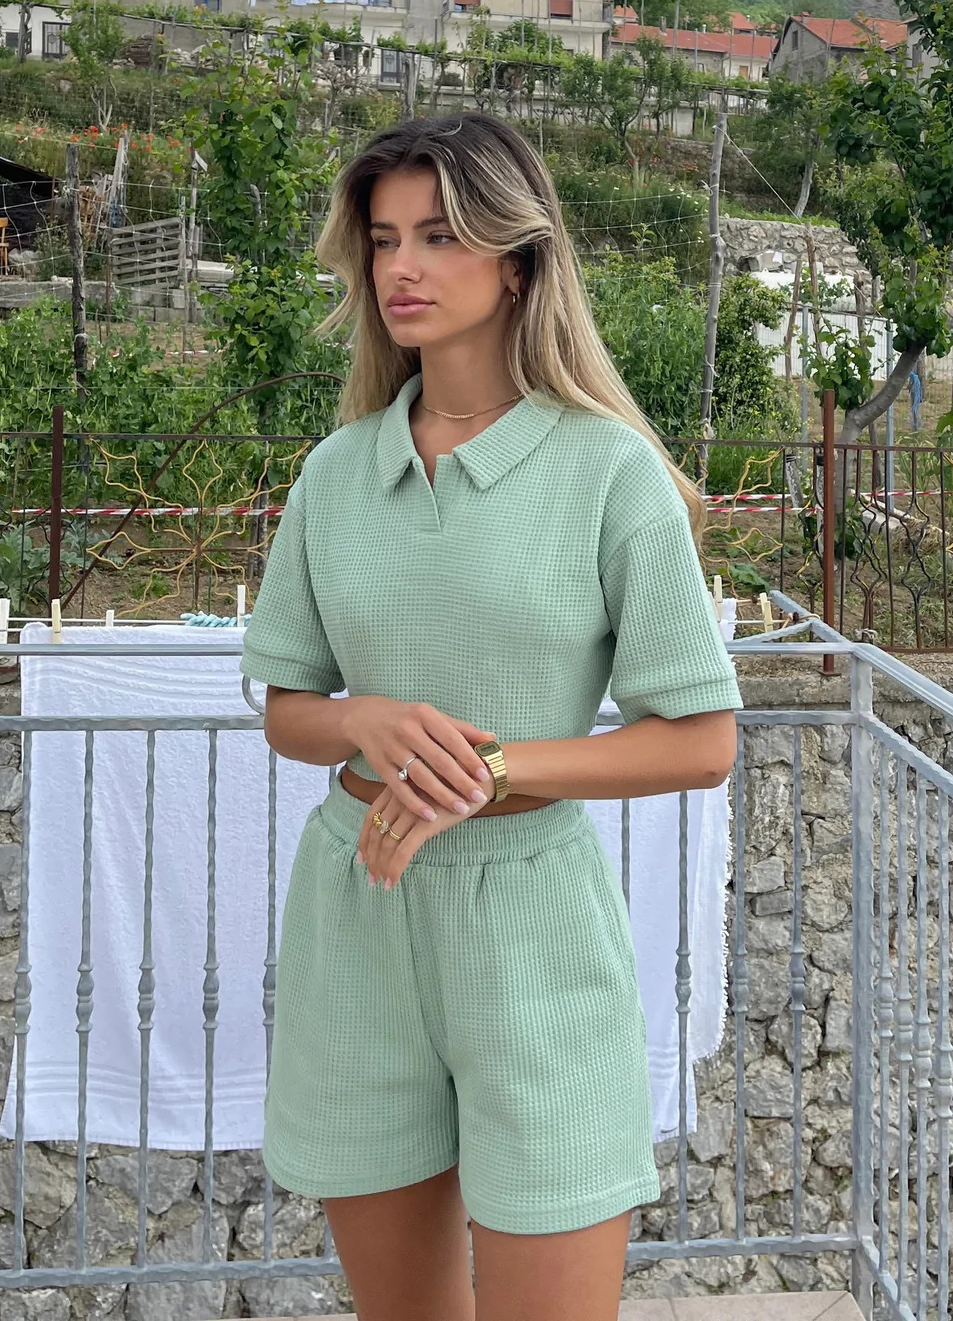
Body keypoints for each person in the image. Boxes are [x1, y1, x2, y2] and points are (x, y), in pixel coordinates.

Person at [240, 112, 740, 1321]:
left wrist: (492, 767)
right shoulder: (335, 475)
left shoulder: (608, 472)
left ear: (517, 261)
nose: (401, 268)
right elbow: (290, 710)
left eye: (440, 236)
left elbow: (701, 740)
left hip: (532, 920)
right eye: (383, 240)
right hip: (358, 908)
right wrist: (361, 724)